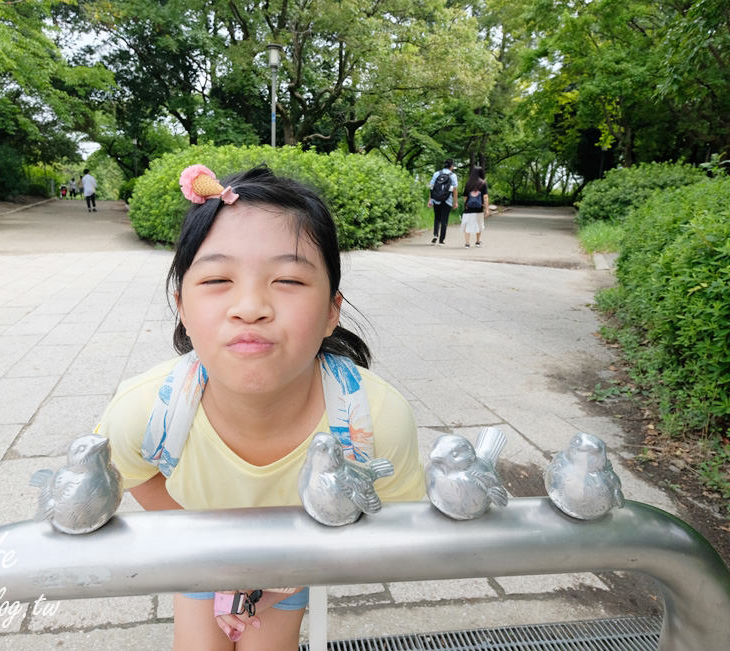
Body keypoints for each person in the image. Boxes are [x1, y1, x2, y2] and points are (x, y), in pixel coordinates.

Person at [95, 164, 425, 650]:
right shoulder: (146, 411)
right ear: (181, 306)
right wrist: (207, 548)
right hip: (202, 555)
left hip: (303, 555)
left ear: (332, 310)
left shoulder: (372, 420)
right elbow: (132, 470)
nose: (250, 306)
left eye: (288, 280)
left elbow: (394, 523)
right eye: (216, 280)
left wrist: (284, 575)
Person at [428, 159, 458, 246]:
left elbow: (431, 187)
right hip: (447, 200)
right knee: (444, 220)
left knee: (437, 218)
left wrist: (430, 200)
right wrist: (455, 202)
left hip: (436, 199)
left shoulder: (436, 173)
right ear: (451, 166)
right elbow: (455, 190)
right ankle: (441, 240)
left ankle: (435, 235)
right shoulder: (453, 175)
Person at [460, 166, 491, 248]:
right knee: (479, 224)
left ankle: (467, 243)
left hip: (468, 208)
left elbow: (465, 197)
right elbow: (485, 197)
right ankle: (477, 242)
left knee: (467, 225)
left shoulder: (468, 183)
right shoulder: (483, 183)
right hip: (479, 208)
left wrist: (466, 205)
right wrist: (486, 209)